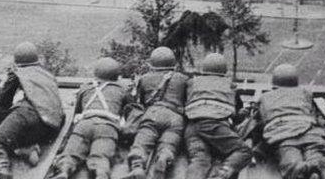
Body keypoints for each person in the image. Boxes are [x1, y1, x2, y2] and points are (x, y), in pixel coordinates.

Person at [0, 42, 64, 179]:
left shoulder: (18, 72)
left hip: (28, 114)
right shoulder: (47, 74)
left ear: (17, 59)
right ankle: (26, 149)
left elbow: (2, 102)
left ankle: (3, 169)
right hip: (51, 126)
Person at [53, 57, 133, 179]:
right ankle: (100, 173)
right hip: (107, 126)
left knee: (71, 152)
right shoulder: (122, 90)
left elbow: (77, 113)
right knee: (101, 156)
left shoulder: (85, 87)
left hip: (84, 124)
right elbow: (129, 112)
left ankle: (64, 169)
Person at [253, 63, 325, 179]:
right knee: (315, 152)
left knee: (291, 161)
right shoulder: (306, 93)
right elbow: (316, 116)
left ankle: (300, 172)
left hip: (283, 136)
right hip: (311, 132)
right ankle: (314, 167)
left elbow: (259, 123)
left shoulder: (265, 97)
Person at [184, 53, 251, 179]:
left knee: (200, 160)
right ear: (223, 70)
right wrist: (243, 114)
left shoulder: (192, 83)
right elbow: (235, 117)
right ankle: (221, 175)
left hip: (192, 127)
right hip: (215, 127)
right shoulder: (230, 85)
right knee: (244, 151)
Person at [125, 47, 187, 179]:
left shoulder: (144, 78)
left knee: (142, 141)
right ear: (174, 64)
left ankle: (137, 166)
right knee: (170, 141)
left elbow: (140, 102)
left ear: (151, 64)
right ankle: (165, 155)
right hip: (175, 116)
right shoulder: (183, 79)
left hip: (152, 113)